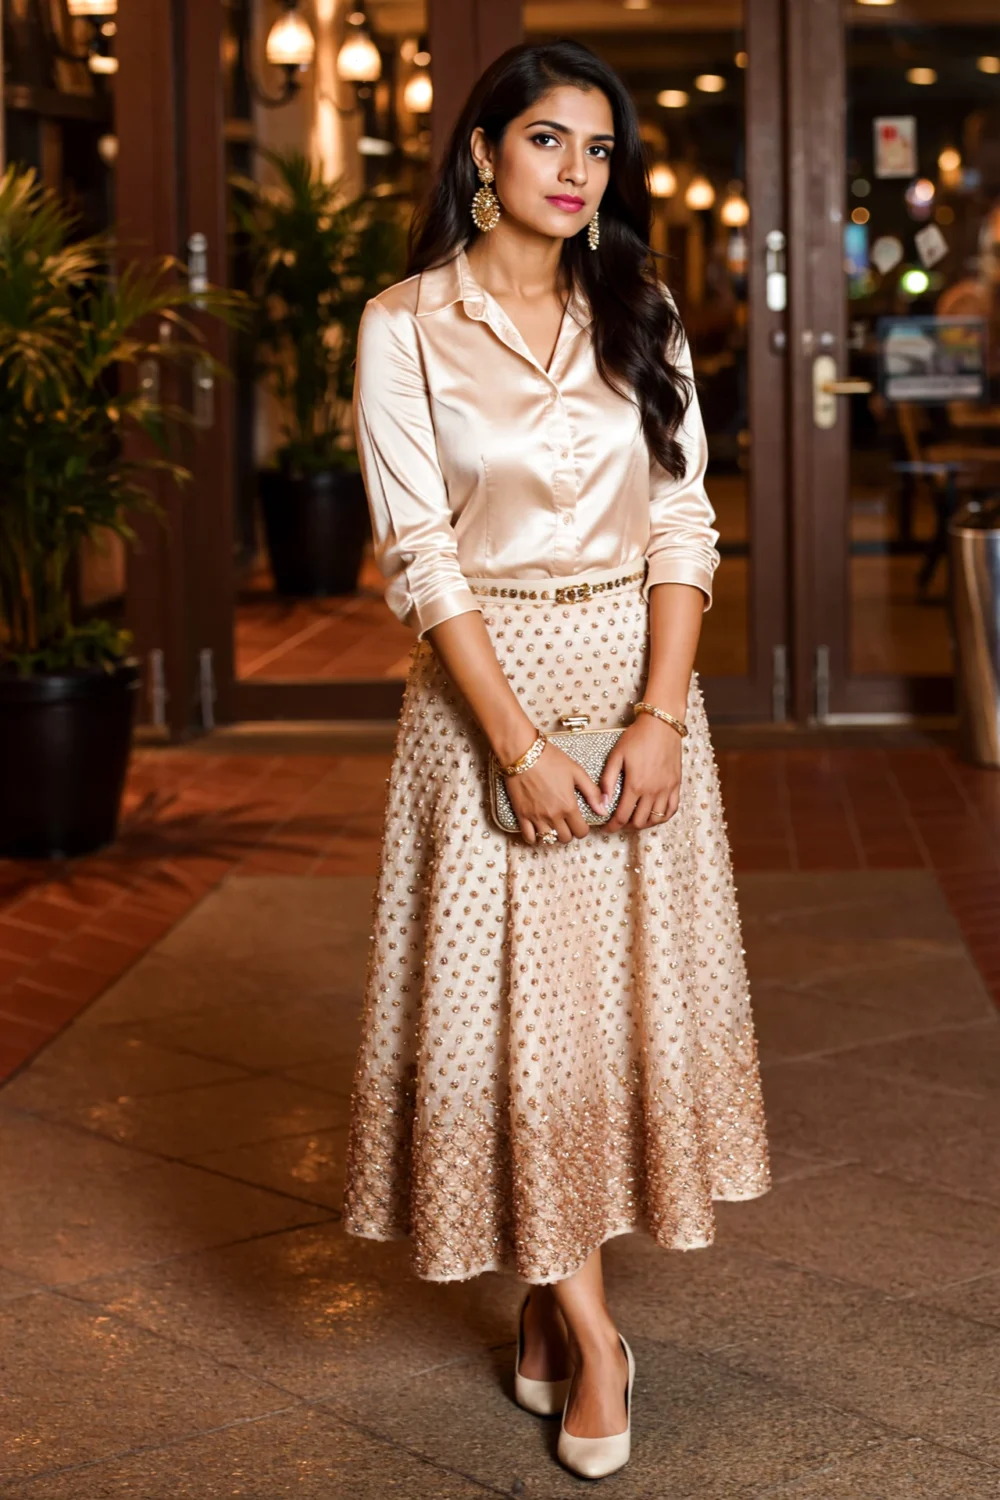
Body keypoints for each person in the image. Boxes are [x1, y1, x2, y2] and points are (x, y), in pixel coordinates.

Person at [343, 38, 771, 1481]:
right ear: (481, 154)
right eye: (546, 141)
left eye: (597, 150)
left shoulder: (638, 307)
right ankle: (595, 1338)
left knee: (593, 1024)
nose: (576, 173)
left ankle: (549, 1297)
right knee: (503, 1027)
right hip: (486, 704)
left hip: (640, 693)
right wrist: (517, 746)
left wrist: (661, 717)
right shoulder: (403, 325)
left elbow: (682, 521)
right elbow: (420, 556)